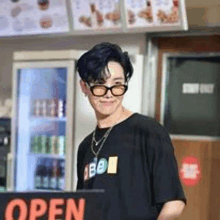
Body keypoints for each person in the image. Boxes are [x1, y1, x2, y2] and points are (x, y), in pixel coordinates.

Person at [76, 42, 186, 220]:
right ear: (84, 87)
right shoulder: (85, 147)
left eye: (117, 84)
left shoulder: (149, 132)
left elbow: (174, 203)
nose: (109, 93)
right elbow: (81, 207)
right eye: (99, 84)